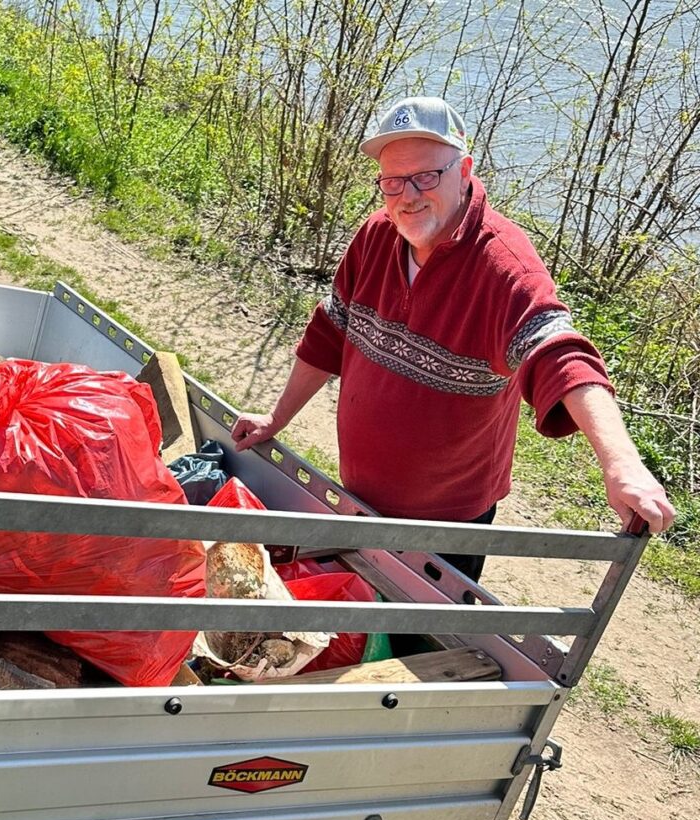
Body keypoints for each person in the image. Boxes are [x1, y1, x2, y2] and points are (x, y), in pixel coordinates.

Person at [232, 95, 675, 586]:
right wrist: (277, 417)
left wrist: (622, 465)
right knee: (357, 616)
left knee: (423, 645)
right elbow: (330, 331)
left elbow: (559, 354)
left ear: (463, 170)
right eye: (392, 181)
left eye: (426, 176)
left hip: (448, 522)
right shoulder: (378, 235)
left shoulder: (504, 267)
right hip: (359, 495)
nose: (408, 195)